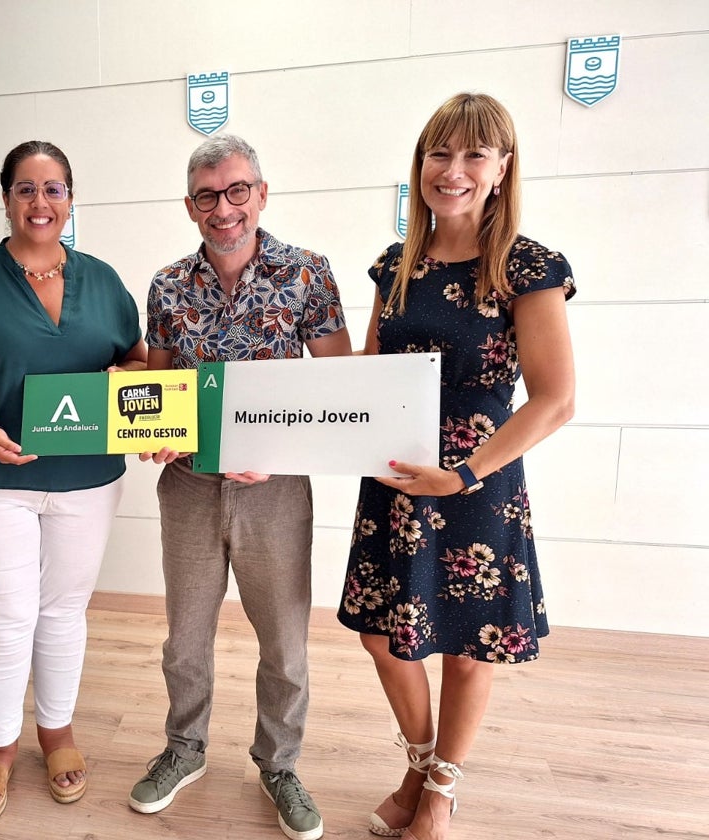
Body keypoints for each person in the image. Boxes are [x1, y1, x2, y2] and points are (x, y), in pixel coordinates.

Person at [337, 92, 576, 840]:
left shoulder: (526, 266)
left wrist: (464, 474)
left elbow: (554, 400)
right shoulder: (394, 264)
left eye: (475, 154)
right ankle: (418, 762)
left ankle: (439, 792)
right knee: (385, 638)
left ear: (502, 169)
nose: (454, 169)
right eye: (440, 153)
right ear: (420, 167)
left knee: (468, 646)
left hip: (478, 482)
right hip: (397, 477)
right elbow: (368, 375)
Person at [0, 140, 147, 821]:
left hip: (87, 480)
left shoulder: (103, 281)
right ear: (7, 197)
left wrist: (129, 380)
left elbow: (135, 364)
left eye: (54, 189)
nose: (41, 203)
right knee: (3, 618)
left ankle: (57, 731)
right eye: (26, 189)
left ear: (71, 198)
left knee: (63, 612)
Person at [128, 134, 352, 840]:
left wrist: (282, 448)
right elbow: (155, 381)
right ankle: (184, 749)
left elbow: (341, 385)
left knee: (284, 641)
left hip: (276, 491)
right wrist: (148, 429)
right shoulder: (167, 284)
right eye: (207, 195)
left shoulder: (309, 273)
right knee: (184, 639)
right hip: (190, 484)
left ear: (260, 193)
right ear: (190, 206)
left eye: (237, 191)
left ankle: (279, 764)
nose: (224, 208)